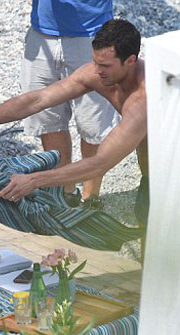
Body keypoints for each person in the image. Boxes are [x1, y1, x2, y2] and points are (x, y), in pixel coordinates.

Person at [0, 19, 148, 229]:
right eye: (95, 62)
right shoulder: (100, 75)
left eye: (104, 66)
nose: (96, 70)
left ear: (130, 61)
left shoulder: (142, 102)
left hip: (163, 182)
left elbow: (100, 163)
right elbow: (37, 100)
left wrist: (35, 180)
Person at [22, 0, 117, 209]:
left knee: (93, 125)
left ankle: (90, 199)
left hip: (92, 35)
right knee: (49, 120)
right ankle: (65, 194)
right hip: (42, 34)